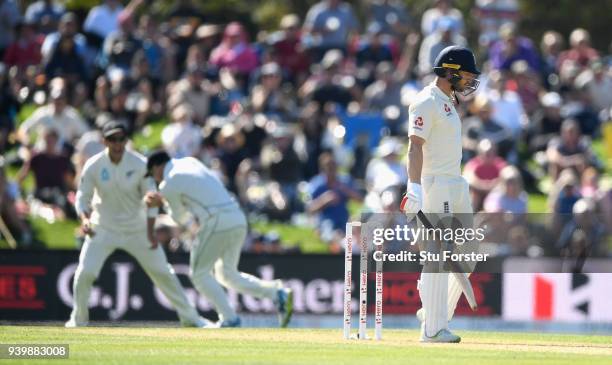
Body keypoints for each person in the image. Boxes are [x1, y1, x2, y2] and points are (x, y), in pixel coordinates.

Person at [67, 121, 207, 328]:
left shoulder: (140, 165)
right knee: (85, 273)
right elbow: (82, 198)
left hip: (137, 229)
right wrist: (85, 220)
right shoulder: (94, 165)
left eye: (121, 139)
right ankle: (78, 320)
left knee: (163, 273)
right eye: (113, 139)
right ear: (105, 141)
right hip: (103, 228)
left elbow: (150, 201)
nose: (117, 144)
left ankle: (191, 318)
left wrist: (150, 232)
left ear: (126, 140)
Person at [144, 150, 294, 328]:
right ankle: (277, 294)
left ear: (157, 167)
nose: (155, 179)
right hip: (237, 218)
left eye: (153, 174)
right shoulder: (190, 162)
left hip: (217, 221)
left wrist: (163, 202)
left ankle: (230, 319)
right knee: (227, 274)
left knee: (199, 274)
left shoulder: (168, 184)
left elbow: (180, 219)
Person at [400, 46, 481, 342]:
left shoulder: (448, 101)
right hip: (436, 184)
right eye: (467, 74)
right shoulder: (425, 101)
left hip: (456, 182)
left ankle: (434, 313)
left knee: (469, 253)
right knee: (436, 255)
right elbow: (414, 147)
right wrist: (414, 187)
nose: (470, 80)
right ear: (450, 71)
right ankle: (433, 330)